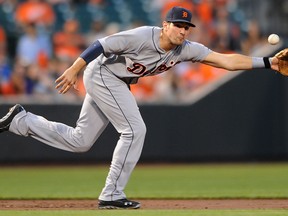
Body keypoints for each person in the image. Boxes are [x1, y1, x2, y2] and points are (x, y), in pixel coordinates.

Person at [0, 6, 281, 209]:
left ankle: (20, 121)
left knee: (80, 141)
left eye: (186, 27)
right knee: (135, 130)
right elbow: (101, 44)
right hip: (102, 74)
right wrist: (74, 68)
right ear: (165, 24)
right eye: (177, 25)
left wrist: (268, 63)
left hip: (116, 80)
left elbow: (227, 61)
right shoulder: (142, 36)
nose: (182, 30)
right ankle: (111, 193)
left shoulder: (186, 49)